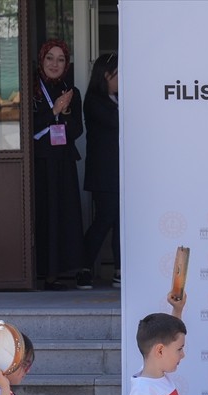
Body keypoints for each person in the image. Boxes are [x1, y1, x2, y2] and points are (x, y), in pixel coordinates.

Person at [32, 39, 86, 290]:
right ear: (41, 61)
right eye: (49, 58)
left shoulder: (71, 90)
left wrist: (63, 115)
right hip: (41, 164)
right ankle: (40, 271)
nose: (55, 64)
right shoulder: (32, 90)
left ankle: (60, 271)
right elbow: (28, 126)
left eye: (61, 59)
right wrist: (54, 109)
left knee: (64, 216)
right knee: (44, 215)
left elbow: (77, 129)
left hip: (62, 163)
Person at [82, 53, 120, 289]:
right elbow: (117, 122)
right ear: (107, 75)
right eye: (119, 74)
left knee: (120, 221)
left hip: (122, 174)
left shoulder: (118, 98)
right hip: (103, 173)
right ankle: (83, 267)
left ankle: (119, 269)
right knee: (105, 219)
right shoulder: (95, 100)